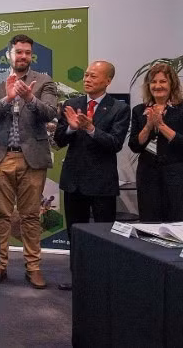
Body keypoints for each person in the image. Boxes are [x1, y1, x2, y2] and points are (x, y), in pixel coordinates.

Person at [0, 34, 57, 289]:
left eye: (27, 52)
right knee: (0, 215)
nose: (23, 56)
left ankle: (33, 268)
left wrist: (29, 98)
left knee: (31, 216)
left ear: (31, 55)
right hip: (0, 156)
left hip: (31, 158)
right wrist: (9, 98)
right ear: (9, 55)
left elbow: (51, 113)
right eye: (18, 52)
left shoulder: (44, 81)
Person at [53, 61, 129, 291]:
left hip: (101, 182)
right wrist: (72, 128)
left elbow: (115, 144)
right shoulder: (72, 104)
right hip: (74, 180)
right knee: (75, 232)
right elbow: (58, 140)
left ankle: (104, 280)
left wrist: (90, 129)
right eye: (86, 75)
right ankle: (79, 279)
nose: (87, 79)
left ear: (108, 80)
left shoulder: (118, 108)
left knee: (103, 234)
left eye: (93, 76)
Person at [128, 62, 183, 222]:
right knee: (149, 220)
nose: (157, 86)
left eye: (162, 81)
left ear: (172, 84)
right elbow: (134, 145)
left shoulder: (180, 110)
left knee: (176, 221)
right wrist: (148, 126)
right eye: (153, 82)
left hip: (176, 175)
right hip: (147, 175)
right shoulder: (139, 110)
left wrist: (161, 125)